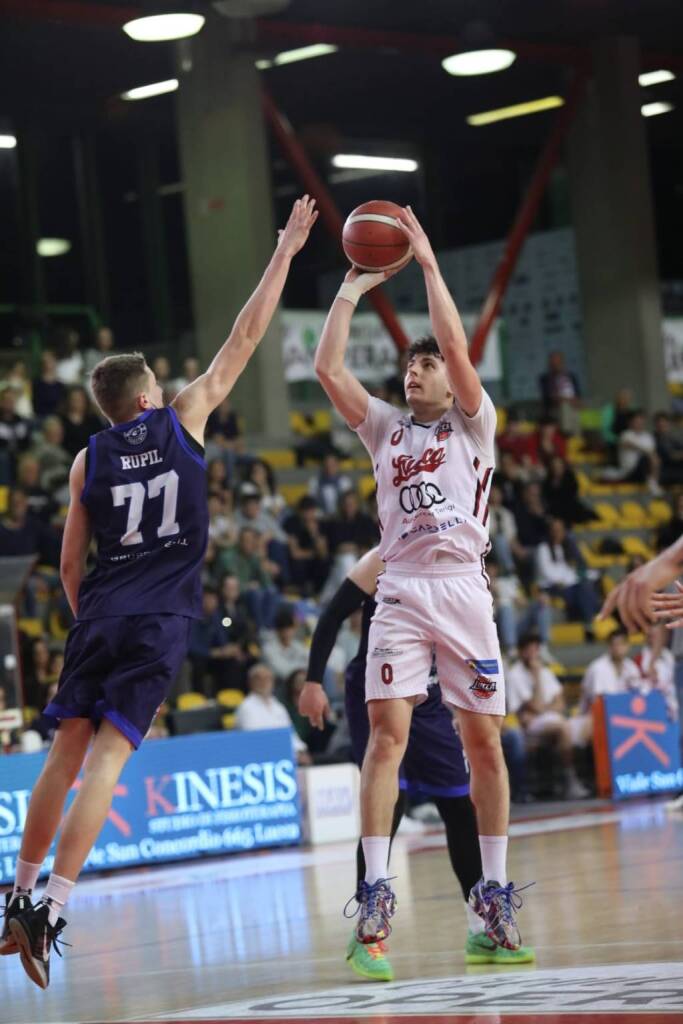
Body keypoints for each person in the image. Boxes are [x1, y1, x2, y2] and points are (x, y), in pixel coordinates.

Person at [0, 195, 317, 989]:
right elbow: (246, 336)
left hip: (100, 611)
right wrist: (284, 250)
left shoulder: (86, 460)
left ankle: (15, 894)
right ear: (146, 397)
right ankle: (55, 907)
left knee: (62, 751)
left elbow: (69, 566)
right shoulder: (184, 421)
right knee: (109, 756)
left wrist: (92, 619)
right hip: (161, 616)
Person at [313, 204, 527, 951]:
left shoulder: (474, 423)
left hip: (464, 586)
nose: (415, 369)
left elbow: (461, 350)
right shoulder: (383, 428)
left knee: (483, 748)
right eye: (408, 362)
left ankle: (491, 901)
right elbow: (326, 368)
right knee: (384, 737)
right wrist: (349, 285)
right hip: (400, 587)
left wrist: (430, 265)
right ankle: (374, 895)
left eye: (425, 362)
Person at [299, 548, 534, 978]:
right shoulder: (383, 558)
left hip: (432, 693)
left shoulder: (459, 563)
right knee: (395, 801)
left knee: (460, 805)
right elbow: (332, 616)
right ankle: (367, 933)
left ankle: (481, 926)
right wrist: (314, 681)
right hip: (380, 682)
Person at [506, 634, 588, 799]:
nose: (533, 653)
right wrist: (536, 679)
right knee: (563, 728)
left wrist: (543, 708)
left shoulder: (545, 672)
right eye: (529, 649)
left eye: (535, 649)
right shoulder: (515, 674)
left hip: (549, 720)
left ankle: (566, 780)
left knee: (576, 726)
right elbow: (533, 706)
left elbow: (561, 703)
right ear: (521, 652)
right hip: (529, 727)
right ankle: (569, 780)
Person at [235, 662, 311, 764]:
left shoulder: (278, 706)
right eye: (259, 679)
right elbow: (254, 740)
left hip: (287, 756)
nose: (263, 682)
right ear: (251, 682)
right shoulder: (246, 707)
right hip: (262, 759)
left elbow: (290, 733)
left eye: (267, 678)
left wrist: (300, 751)